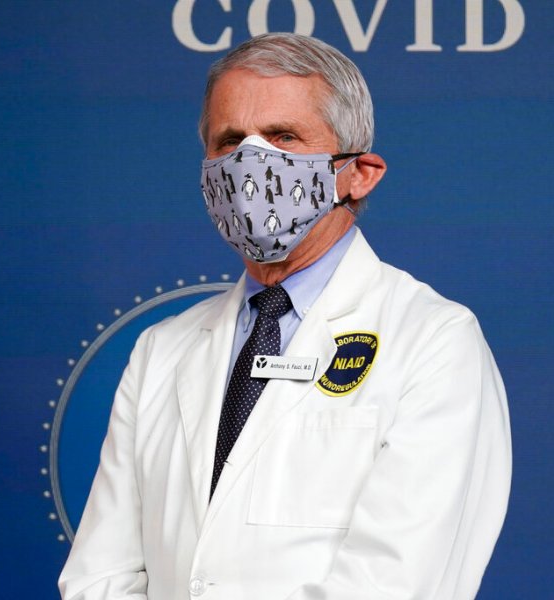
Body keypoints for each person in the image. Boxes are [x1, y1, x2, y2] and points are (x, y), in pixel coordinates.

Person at [59, 33, 511, 600]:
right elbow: (101, 573)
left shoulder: (434, 341)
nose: (251, 164)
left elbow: (398, 580)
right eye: (229, 141)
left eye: (283, 137)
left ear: (359, 172)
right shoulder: (162, 348)